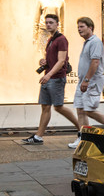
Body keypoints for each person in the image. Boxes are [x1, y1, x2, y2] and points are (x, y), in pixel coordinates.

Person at [23, 14, 81, 145]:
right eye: (47, 22)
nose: (48, 25)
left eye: (51, 22)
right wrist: (43, 61)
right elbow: (52, 59)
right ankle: (38, 137)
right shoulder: (50, 40)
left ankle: (82, 130)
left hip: (56, 78)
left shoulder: (61, 39)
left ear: (57, 24)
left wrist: (48, 75)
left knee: (59, 107)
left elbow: (61, 61)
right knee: (45, 107)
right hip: (48, 76)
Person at [68, 17, 104, 149]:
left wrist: (87, 80)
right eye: (78, 27)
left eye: (82, 26)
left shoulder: (95, 42)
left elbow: (95, 62)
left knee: (89, 110)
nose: (79, 29)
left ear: (90, 27)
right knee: (81, 110)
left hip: (91, 82)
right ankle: (82, 138)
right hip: (83, 82)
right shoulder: (87, 42)